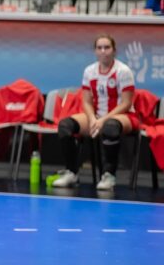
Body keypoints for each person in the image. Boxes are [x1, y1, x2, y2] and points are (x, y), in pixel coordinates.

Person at [52, 34, 139, 191]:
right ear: (95, 51)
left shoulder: (123, 71)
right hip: (97, 115)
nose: (103, 51)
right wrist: (92, 119)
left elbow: (126, 103)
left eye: (107, 47)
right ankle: (71, 172)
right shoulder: (90, 71)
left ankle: (108, 176)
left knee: (110, 127)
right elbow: (86, 101)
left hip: (123, 116)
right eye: (99, 48)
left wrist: (103, 120)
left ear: (114, 50)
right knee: (65, 125)